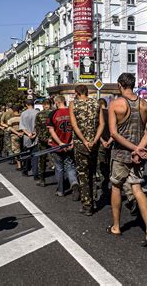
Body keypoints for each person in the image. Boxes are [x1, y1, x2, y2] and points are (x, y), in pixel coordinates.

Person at [107, 73, 147, 247]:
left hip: (121, 153)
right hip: (139, 155)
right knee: (137, 188)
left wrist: (134, 149)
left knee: (116, 187)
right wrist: (139, 148)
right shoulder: (144, 104)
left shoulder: (115, 104)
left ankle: (116, 226)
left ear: (120, 85)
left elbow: (113, 133)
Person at [69, 85, 104, 216]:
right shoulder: (96, 103)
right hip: (94, 144)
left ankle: (87, 204)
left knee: (83, 174)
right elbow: (102, 124)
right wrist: (94, 140)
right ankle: (94, 199)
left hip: (80, 144)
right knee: (93, 172)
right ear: (87, 92)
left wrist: (84, 141)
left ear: (76, 93)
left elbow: (74, 126)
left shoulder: (73, 104)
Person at [47, 95, 79, 198]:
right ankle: (74, 182)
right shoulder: (72, 112)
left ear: (56, 103)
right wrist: (72, 141)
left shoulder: (53, 114)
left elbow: (51, 131)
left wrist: (60, 143)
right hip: (70, 144)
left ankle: (61, 190)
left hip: (57, 146)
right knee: (70, 166)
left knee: (59, 168)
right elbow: (76, 129)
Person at [96, 98, 112, 201]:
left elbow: (97, 129)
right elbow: (115, 129)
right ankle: (109, 184)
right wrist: (109, 141)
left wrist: (102, 141)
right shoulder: (111, 113)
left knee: (101, 165)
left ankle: (103, 186)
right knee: (110, 165)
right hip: (111, 143)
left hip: (101, 143)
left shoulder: (98, 115)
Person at [19, 100, 39, 178]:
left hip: (26, 137)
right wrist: (35, 133)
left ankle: (25, 170)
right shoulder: (37, 113)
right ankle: (35, 173)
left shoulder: (23, 114)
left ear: (27, 105)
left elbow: (22, 126)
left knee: (26, 154)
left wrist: (28, 134)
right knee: (35, 156)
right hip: (36, 136)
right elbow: (38, 126)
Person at [34, 99, 52, 186]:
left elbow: (37, 129)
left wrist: (43, 138)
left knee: (42, 160)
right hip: (54, 140)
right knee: (57, 160)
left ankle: (42, 180)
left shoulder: (39, 114)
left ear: (43, 105)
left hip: (43, 141)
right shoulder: (54, 113)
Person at [7, 105, 23, 170]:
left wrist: (17, 133)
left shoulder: (11, 119)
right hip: (23, 134)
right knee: (23, 149)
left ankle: (19, 165)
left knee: (16, 151)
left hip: (14, 135)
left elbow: (9, 128)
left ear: (13, 111)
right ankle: (24, 163)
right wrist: (22, 133)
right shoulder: (22, 117)